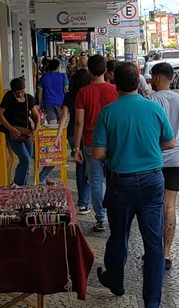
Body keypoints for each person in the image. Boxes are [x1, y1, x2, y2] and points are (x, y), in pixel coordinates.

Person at [92, 62, 175, 307]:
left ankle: (116, 280)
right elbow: (169, 143)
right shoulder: (154, 109)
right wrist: (149, 148)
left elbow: (97, 154)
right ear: (140, 82)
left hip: (121, 183)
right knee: (153, 243)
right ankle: (152, 302)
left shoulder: (108, 113)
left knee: (118, 235)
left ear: (115, 83)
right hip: (152, 181)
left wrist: (117, 151)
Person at [149, 62, 179, 270]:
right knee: (170, 206)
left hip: (153, 160)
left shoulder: (150, 100)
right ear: (172, 78)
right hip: (176, 161)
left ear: (156, 78)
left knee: (153, 207)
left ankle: (154, 251)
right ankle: (166, 254)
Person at [74, 55, 118, 232]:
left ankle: (101, 219)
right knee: (114, 180)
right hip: (113, 143)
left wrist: (76, 148)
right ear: (106, 70)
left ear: (89, 71)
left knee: (96, 181)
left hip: (91, 143)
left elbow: (79, 123)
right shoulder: (115, 90)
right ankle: (116, 216)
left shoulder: (83, 92)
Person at [54, 69, 92, 213]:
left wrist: (58, 136)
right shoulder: (89, 93)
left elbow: (64, 116)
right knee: (90, 167)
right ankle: (87, 201)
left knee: (80, 167)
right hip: (88, 133)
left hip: (72, 134)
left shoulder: (69, 95)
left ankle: (83, 203)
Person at [0, 77, 41, 186]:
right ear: (13, 91)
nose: (20, 95)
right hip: (13, 133)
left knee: (27, 160)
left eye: (22, 92)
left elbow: (36, 116)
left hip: (26, 133)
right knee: (25, 159)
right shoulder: (8, 97)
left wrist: (36, 130)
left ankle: (23, 185)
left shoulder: (29, 98)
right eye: (17, 93)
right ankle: (18, 185)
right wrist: (10, 128)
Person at [37, 58, 68, 125]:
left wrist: (40, 103)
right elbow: (66, 89)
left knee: (52, 124)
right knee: (61, 122)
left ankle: (54, 135)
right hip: (61, 102)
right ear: (58, 67)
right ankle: (60, 135)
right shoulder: (63, 76)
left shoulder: (43, 77)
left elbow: (40, 91)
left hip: (48, 102)